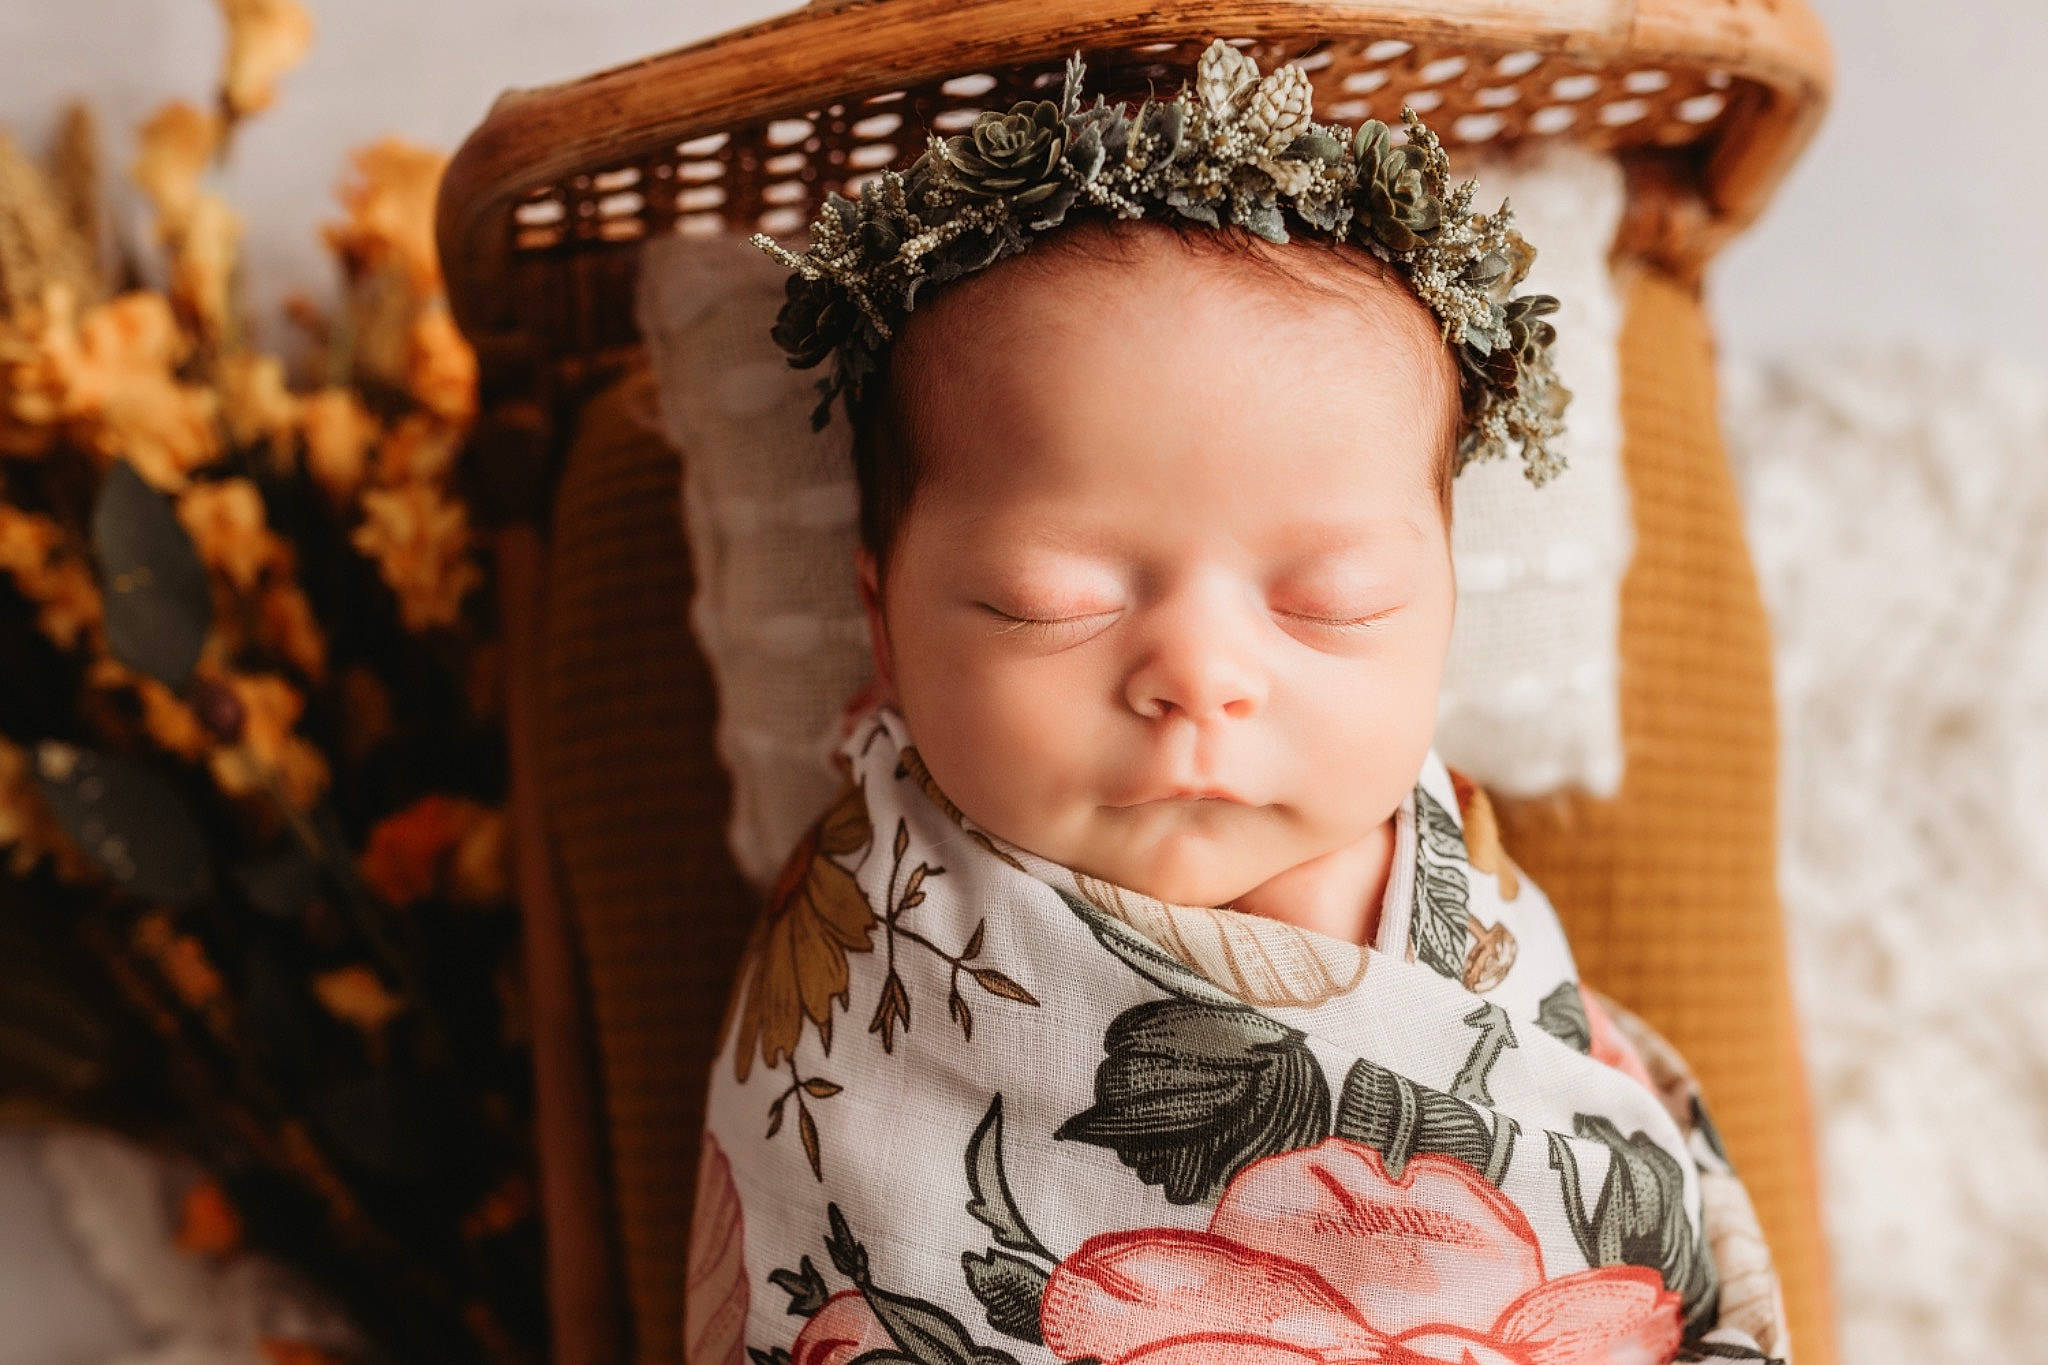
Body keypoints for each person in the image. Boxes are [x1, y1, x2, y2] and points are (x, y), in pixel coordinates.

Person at [688, 42, 1787, 1365]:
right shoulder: (874, 914)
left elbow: (1584, 1181)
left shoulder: (1445, 893)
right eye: (1051, 598)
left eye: (1332, 597)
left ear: (1441, 611)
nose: (1199, 675)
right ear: (886, 619)